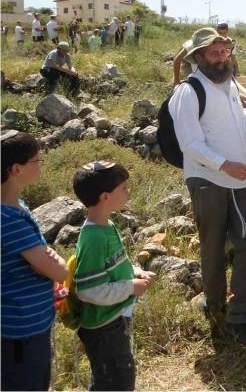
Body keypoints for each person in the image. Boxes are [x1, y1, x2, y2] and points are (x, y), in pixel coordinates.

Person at [169, 27, 246, 345]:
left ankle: (240, 318)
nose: (222, 57)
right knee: (212, 246)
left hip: (243, 179)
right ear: (198, 57)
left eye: (225, 51)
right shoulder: (189, 91)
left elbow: (235, 117)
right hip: (210, 180)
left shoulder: (228, 85)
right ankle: (215, 304)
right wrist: (224, 165)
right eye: (214, 52)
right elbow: (190, 143)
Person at [72, 161, 156, 391]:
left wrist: (135, 273)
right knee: (114, 382)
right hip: (103, 328)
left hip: (113, 321)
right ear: (105, 197)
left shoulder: (105, 225)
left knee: (118, 378)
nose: (128, 192)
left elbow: (113, 266)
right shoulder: (94, 237)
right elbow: (88, 290)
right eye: (124, 188)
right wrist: (131, 287)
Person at [1, 130, 68, 391]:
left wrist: (45, 261)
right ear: (16, 169)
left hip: (30, 323)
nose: (41, 164)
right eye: (36, 160)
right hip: (21, 329)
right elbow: (59, 271)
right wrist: (54, 264)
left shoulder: (18, 206)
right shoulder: (9, 220)